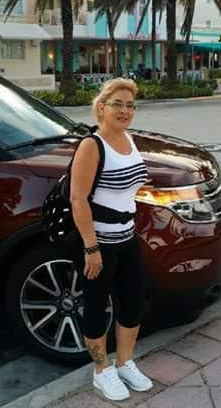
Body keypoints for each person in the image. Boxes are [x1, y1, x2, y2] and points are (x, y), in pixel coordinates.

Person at [69, 78, 153, 401]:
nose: (125, 111)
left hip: (127, 237)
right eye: (117, 104)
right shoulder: (92, 145)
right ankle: (101, 371)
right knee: (95, 307)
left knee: (133, 302)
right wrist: (91, 247)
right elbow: (78, 199)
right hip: (99, 243)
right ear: (101, 107)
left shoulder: (128, 139)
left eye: (130, 105)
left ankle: (125, 362)